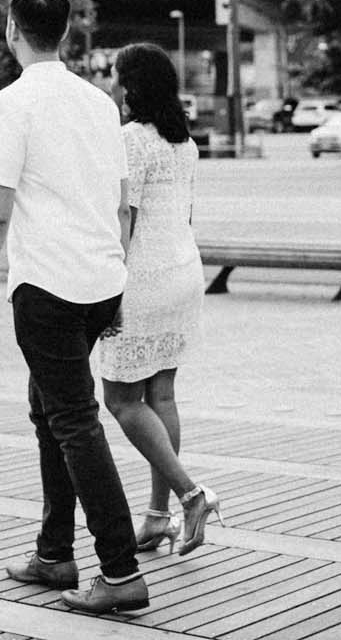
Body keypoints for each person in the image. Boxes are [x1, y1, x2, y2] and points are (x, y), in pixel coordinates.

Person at [0, 0, 148, 617]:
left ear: (14, 30)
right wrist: (115, 276)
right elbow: (122, 204)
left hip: (48, 288)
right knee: (51, 410)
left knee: (72, 421)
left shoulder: (10, 105)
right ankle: (53, 552)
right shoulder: (99, 103)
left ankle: (119, 571)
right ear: (64, 33)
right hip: (100, 282)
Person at [98, 43, 220, 557]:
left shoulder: (129, 140)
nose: (109, 85)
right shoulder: (183, 142)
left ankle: (190, 495)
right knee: (162, 396)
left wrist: (109, 289)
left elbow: (124, 218)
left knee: (121, 399)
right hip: (183, 272)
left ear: (132, 86)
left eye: (114, 76)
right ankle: (155, 517)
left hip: (142, 277)